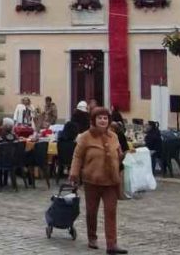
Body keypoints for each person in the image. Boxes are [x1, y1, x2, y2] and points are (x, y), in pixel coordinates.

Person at [69, 107, 127, 254]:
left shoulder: (113, 136)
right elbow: (77, 157)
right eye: (100, 118)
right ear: (93, 120)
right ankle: (92, 237)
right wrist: (74, 174)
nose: (103, 120)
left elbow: (119, 153)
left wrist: (122, 157)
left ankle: (112, 244)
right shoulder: (85, 137)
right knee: (91, 211)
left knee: (111, 212)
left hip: (111, 181)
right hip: (92, 181)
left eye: (105, 118)